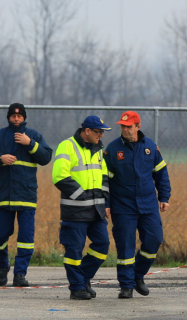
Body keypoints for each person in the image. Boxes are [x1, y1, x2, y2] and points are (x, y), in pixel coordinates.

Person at [0, 103, 52, 287]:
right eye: (13, 116)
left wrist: (31, 144)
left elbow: (46, 158)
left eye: (19, 116)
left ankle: (20, 274)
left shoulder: (34, 136)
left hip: (26, 196)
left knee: (26, 239)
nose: (16, 119)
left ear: (24, 118)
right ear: (9, 117)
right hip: (3, 195)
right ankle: (2, 267)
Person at [105, 111, 171, 299]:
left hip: (148, 204)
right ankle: (126, 286)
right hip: (122, 206)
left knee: (154, 240)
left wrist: (164, 197)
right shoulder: (112, 149)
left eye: (129, 126)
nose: (125, 129)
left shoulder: (150, 147)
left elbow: (161, 173)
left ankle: (137, 276)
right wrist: (107, 203)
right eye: (123, 126)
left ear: (137, 126)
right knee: (125, 247)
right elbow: (104, 180)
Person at [52, 116, 112, 300]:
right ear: (87, 131)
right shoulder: (67, 146)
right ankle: (77, 288)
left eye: (102, 132)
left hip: (96, 210)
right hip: (75, 211)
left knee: (102, 245)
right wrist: (83, 196)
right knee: (74, 250)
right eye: (98, 131)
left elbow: (104, 177)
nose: (101, 135)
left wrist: (104, 201)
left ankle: (83, 278)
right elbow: (59, 176)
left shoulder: (98, 149)